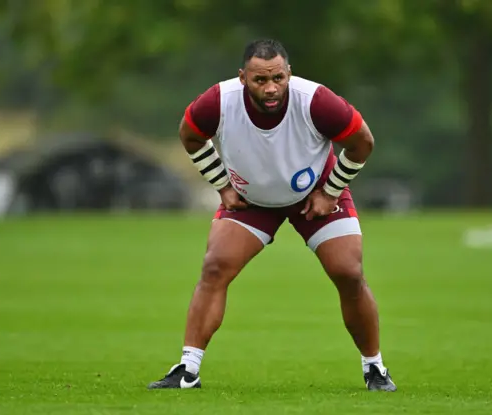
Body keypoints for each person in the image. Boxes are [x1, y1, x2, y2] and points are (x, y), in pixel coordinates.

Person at [148, 39, 396, 392]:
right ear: (242, 78)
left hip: (316, 193)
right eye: (260, 80)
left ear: (289, 73)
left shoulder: (316, 101)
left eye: (278, 78)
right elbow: (189, 135)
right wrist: (222, 184)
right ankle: (188, 370)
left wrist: (331, 191)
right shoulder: (219, 101)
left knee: (348, 271)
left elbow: (362, 142)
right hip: (252, 199)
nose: (271, 88)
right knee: (215, 265)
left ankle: (375, 368)